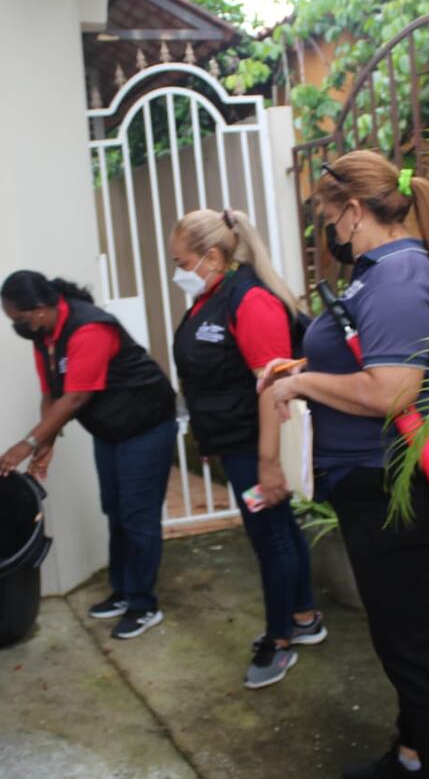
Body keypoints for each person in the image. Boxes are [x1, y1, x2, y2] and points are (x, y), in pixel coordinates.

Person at [259, 152, 429, 778]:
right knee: (410, 636)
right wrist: (311, 373)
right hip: (382, 479)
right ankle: (410, 756)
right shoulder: (379, 273)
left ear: (353, 212)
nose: (326, 233)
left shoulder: (398, 279)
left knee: (412, 649)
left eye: (328, 218)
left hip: (399, 484)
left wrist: (302, 387)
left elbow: (391, 392)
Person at [169, 208, 327, 689]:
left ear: (213, 257)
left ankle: (279, 641)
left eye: (182, 261)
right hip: (236, 442)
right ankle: (303, 617)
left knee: (270, 538)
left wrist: (268, 461)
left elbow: (272, 386)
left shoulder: (251, 300)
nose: (178, 271)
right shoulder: (213, 296)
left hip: (256, 445)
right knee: (278, 529)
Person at [0, 271, 177, 640]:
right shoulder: (43, 335)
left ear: (42, 308)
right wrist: (47, 445)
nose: (18, 326)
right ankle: (124, 591)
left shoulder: (90, 328)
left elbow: (77, 397)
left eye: (20, 318)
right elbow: (52, 395)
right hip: (110, 428)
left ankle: (144, 605)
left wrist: (26, 444)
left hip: (145, 425)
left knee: (138, 515)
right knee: (115, 508)